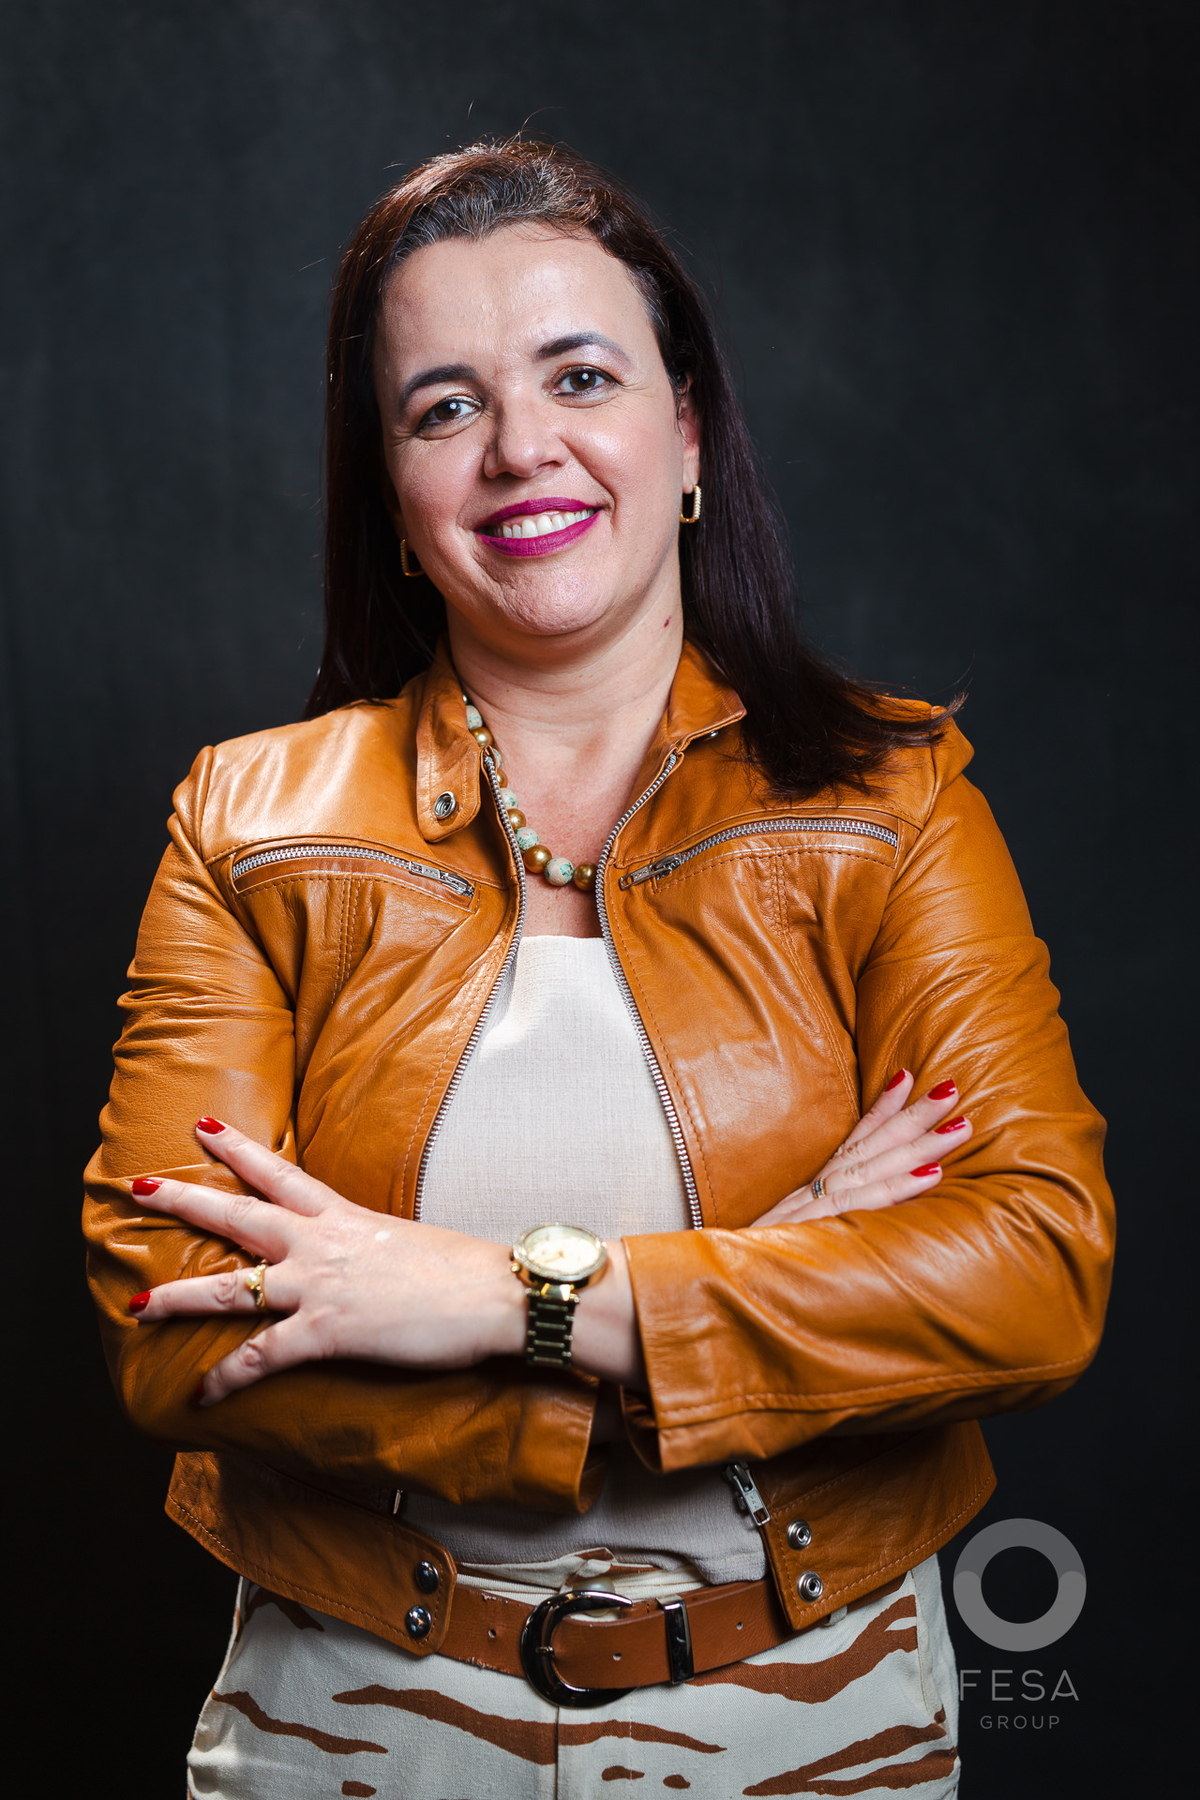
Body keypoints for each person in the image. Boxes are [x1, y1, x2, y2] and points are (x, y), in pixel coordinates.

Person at [84, 138, 1113, 1799]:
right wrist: (739, 1296)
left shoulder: (892, 802)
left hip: (813, 1723)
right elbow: (169, 1317)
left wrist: (503, 1301)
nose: (521, 448)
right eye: (445, 408)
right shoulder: (251, 823)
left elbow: (1036, 1273)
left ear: (686, 431)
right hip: (353, 1726)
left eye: (579, 376)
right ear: (393, 494)